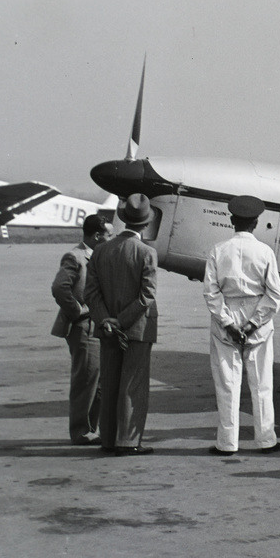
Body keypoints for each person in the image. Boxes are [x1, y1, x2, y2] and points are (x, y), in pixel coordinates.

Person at [204, 195, 280, 455]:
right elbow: (274, 295)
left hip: (225, 314)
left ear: (231, 221)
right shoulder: (265, 252)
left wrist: (228, 323)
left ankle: (227, 443)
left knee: (227, 384)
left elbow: (211, 292)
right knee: (262, 383)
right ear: (256, 222)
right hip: (256, 317)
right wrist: (252, 325)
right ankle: (266, 440)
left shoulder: (218, 250)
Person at [85, 194, 158, 456]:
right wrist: (123, 320)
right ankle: (128, 441)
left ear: (124, 219)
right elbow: (147, 296)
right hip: (137, 328)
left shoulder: (101, 251)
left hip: (106, 329)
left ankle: (108, 439)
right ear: (146, 223)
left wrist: (106, 320)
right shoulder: (147, 253)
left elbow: (90, 293)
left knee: (110, 382)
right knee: (133, 385)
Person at [51, 214, 114, 445]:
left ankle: (91, 429)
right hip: (84, 327)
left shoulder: (101, 255)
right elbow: (60, 288)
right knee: (85, 380)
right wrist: (78, 311)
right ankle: (80, 432)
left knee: (98, 382)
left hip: (100, 327)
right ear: (97, 236)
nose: (112, 238)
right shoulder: (75, 256)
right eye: (109, 235)